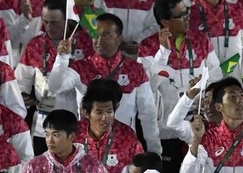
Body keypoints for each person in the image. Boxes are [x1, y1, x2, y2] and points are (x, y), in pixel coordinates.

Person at [48, 13, 160, 153]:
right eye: (95, 34)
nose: (99, 40)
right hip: (85, 146)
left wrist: (155, 151)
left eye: (106, 35)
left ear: (119, 39)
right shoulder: (82, 68)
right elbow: (55, 87)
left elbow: (148, 115)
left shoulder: (135, 71)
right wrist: (62, 59)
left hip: (124, 145)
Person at [139, 0, 219, 173]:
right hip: (167, 129)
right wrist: (163, 53)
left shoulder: (200, 40)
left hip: (198, 125)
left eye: (187, 11)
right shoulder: (148, 47)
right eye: (181, 15)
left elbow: (216, 76)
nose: (187, 17)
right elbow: (147, 88)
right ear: (165, 22)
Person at [15, 0, 78, 152]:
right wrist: (22, 94)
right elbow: (21, 81)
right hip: (44, 120)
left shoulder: (82, 42)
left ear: (67, 20)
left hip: (74, 118)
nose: (49, 27)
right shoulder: (35, 44)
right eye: (45, 22)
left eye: (55, 23)